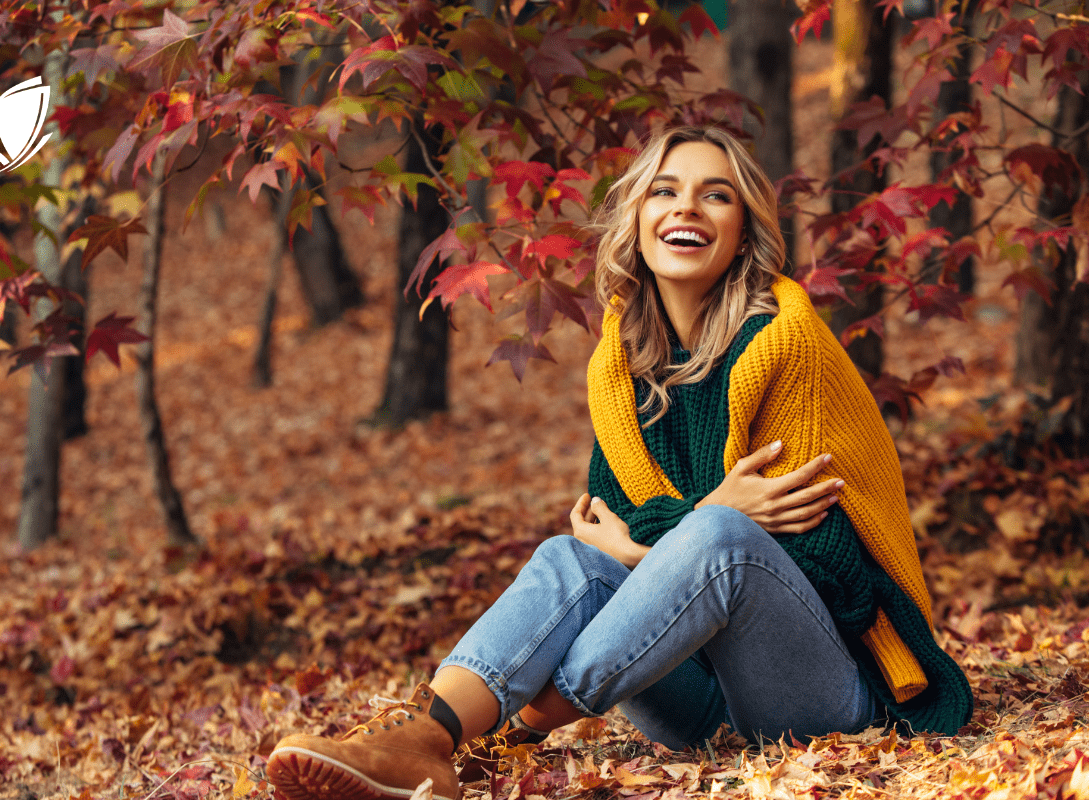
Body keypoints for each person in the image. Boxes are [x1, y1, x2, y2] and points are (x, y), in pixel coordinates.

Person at [263, 126, 973, 800]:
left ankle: (520, 728)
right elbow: (613, 534)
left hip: (823, 689)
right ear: (635, 219)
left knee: (719, 538)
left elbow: (836, 572)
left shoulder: (788, 345)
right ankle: (426, 738)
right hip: (695, 705)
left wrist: (669, 539)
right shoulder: (621, 364)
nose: (686, 206)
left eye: (715, 194)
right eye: (664, 191)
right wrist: (670, 538)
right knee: (570, 559)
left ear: (745, 231)